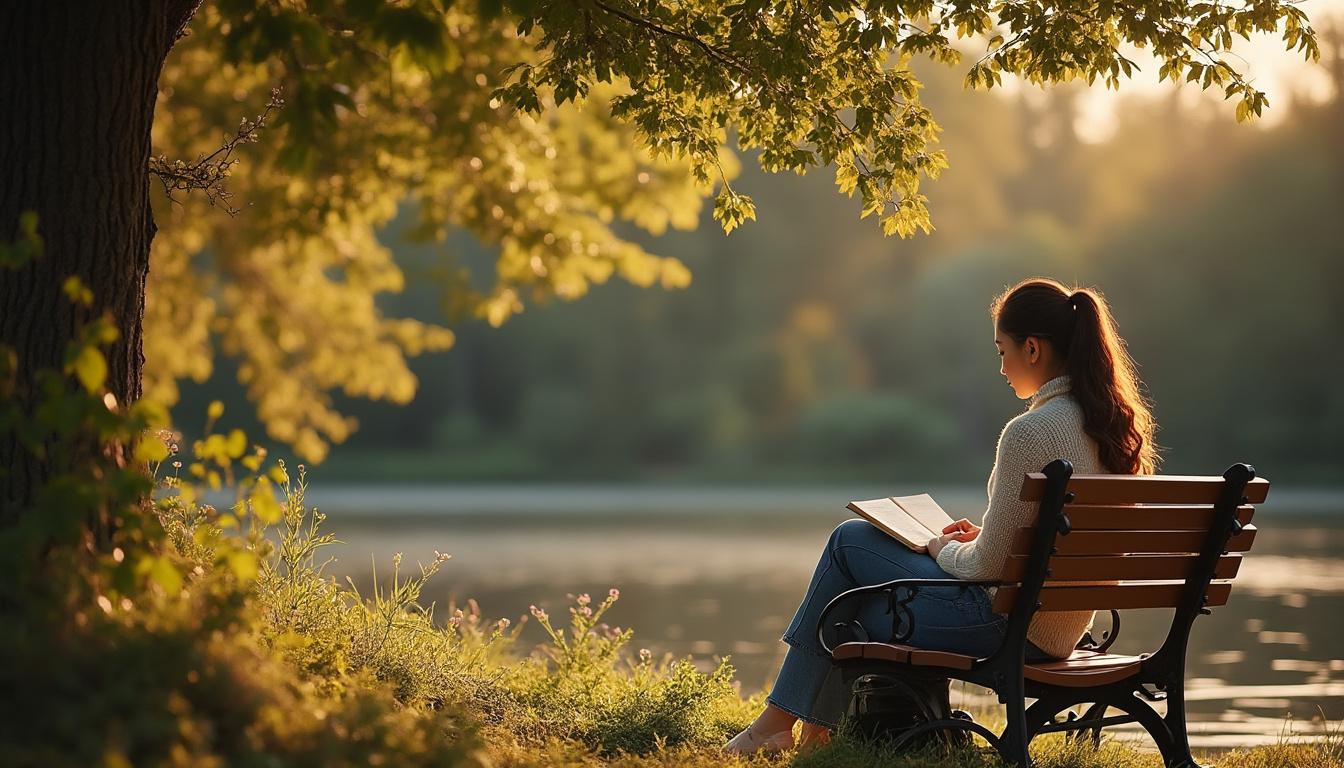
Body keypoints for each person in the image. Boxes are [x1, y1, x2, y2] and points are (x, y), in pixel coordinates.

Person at [723, 277, 1159, 754]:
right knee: (855, 597)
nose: (1002, 367)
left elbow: (986, 567)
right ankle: (810, 733)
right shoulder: (1113, 429)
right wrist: (984, 536)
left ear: (1032, 348)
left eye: (1003, 351)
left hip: (1006, 628)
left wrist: (941, 546)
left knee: (850, 542)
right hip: (1060, 631)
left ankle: (778, 726)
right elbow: (1042, 546)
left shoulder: (1030, 432)